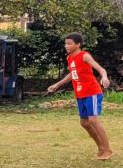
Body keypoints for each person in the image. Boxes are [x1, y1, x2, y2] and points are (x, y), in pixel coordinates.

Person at [47, 32, 113, 160]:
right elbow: (72, 74)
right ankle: (101, 147)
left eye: (69, 43)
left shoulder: (85, 56)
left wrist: (104, 77)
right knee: (84, 122)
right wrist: (57, 84)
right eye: (65, 44)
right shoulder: (69, 58)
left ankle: (108, 150)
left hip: (92, 92)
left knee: (93, 120)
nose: (66, 46)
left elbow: (101, 69)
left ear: (78, 44)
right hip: (80, 93)